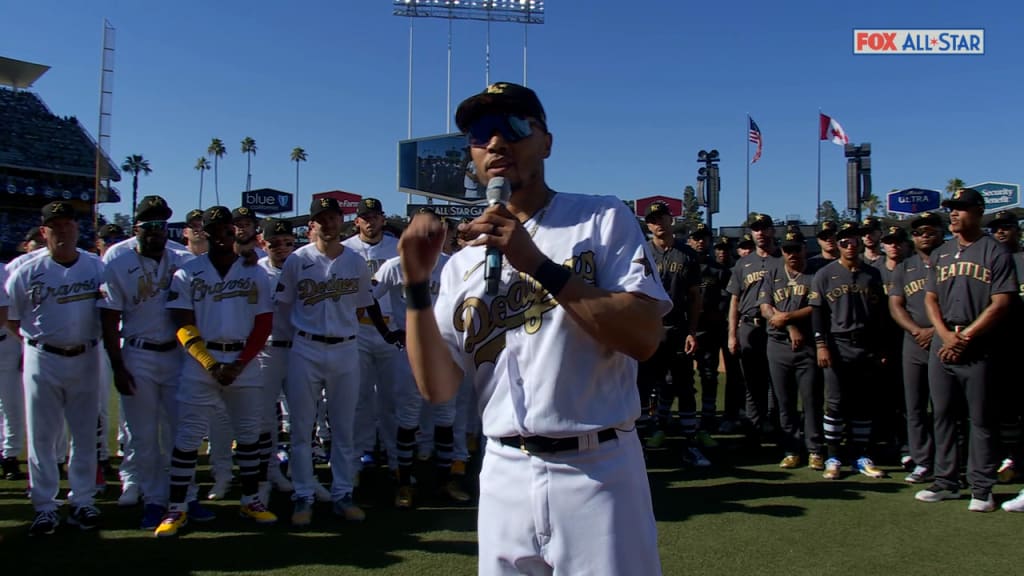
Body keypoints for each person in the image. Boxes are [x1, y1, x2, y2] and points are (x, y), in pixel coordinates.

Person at [400, 82, 668, 574]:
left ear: (546, 142)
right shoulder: (462, 264)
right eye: (482, 133)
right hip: (503, 470)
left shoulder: (601, 217)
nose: (497, 143)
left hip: (597, 466)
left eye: (515, 126)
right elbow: (437, 387)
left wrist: (537, 264)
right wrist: (416, 286)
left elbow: (644, 336)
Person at [154, 206, 277, 537]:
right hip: (201, 361)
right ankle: (177, 507)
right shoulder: (187, 272)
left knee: (249, 436)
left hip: (244, 360)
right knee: (188, 438)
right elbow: (181, 321)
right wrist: (209, 363)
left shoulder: (255, 273)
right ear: (205, 234)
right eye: (217, 230)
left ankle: (251, 500)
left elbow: (264, 322)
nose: (224, 235)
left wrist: (240, 363)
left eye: (229, 230)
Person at [99, 196, 211, 529]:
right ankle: (153, 499)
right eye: (148, 226)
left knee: (182, 431)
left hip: (177, 354)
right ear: (137, 228)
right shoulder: (117, 258)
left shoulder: (181, 258)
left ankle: (186, 496)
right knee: (143, 434)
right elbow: (109, 317)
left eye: (161, 226)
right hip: (138, 352)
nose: (155, 232)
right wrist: (118, 365)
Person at [277, 197, 379, 527]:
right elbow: (283, 306)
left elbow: (363, 305)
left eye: (334, 217)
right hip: (305, 348)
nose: (329, 223)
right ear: (313, 225)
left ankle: (342, 493)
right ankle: (304, 495)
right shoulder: (297, 260)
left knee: (344, 427)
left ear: (342, 221)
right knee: (301, 428)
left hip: (346, 348)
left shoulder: (355, 261)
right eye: (322, 218)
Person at [6, 201, 105, 535]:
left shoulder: (96, 267)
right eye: (56, 227)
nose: (63, 231)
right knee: (42, 437)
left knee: (84, 434)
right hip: (42, 355)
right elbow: (12, 317)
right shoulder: (26, 270)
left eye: (68, 225)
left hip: (87, 354)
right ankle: (45, 506)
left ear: (78, 229)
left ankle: (83, 501)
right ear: (44, 232)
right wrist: (36, 343)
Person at [914, 188, 1016, 512]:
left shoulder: (994, 251)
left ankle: (981, 488)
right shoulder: (943, 252)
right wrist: (945, 335)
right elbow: (930, 298)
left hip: (979, 345)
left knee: (980, 419)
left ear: (978, 211)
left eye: (961, 208)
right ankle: (946, 481)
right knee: (942, 414)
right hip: (944, 344)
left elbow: (1001, 302)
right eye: (951, 209)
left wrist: (965, 337)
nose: (954, 214)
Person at [809, 221, 887, 480]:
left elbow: (880, 315)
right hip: (837, 343)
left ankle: (861, 456)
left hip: (866, 344)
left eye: (854, 240)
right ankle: (833, 456)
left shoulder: (872, 274)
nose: (849, 245)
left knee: (863, 402)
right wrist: (821, 346)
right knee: (835, 402)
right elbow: (818, 314)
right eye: (843, 241)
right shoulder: (825, 273)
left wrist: (881, 347)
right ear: (838, 244)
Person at [637, 203, 704, 466]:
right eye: (653, 220)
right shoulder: (640, 252)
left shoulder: (686, 254)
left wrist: (692, 332)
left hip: (677, 330)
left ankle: (690, 445)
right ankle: (640, 447)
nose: (658, 224)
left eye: (662, 218)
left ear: (671, 219)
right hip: (647, 330)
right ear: (648, 224)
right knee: (642, 389)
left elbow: (695, 297)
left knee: (685, 388)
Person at [343, 198, 401, 474]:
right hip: (359, 329)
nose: (369, 221)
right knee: (360, 396)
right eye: (364, 217)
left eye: (374, 216)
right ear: (357, 222)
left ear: (383, 219)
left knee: (391, 397)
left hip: (391, 329)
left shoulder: (397, 247)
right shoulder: (345, 250)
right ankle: (362, 450)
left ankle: (393, 451)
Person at [759, 229, 823, 469]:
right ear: (782, 251)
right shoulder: (773, 272)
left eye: (796, 248)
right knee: (784, 401)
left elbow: (817, 306)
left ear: (804, 248)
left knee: (811, 399)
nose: (792, 253)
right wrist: (787, 326)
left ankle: (815, 449)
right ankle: (791, 448)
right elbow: (765, 306)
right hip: (777, 344)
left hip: (807, 344)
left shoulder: (815, 273)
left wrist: (789, 318)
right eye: (787, 249)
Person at [888, 212, 944, 484]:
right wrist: (915, 330)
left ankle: (949, 462)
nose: (924, 235)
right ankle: (922, 461)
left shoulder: (950, 259)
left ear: (939, 233)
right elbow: (895, 304)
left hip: (946, 341)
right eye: (919, 232)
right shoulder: (905, 267)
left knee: (947, 407)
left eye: (929, 230)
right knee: (915, 406)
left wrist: (935, 331)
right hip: (913, 343)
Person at [255, 219, 298, 503]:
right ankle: (268, 473)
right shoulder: (254, 272)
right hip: (266, 349)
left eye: (287, 243)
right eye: (275, 244)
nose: (282, 249)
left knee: (300, 415)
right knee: (264, 418)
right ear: (263, 244)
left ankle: (299, 471)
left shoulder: (305, 266)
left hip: (299, 348)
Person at [727, 213, 780, 444]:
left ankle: (777, 426)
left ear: (772, 231)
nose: (760, 232)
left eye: (764, 228)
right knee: (751, 381)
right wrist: (731, 334)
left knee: (776, 379)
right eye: (756, 228)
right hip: (749, 326)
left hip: (776, 327)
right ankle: (754, 427)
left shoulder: (782, 259)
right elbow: (735, 301)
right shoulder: (743, 263)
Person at [986, 210, 1023, 485]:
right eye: (996, 228)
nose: (1000, 232)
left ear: (1017, 230)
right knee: (1001, 407)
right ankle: (1007, 457)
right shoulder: (991, 260)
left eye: (1006, 227)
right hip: (997, 344)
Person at [690, 225, 727, 439]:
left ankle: (708, 415)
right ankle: (682, 417)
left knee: (709, 374)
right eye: (697, 237)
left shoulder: (718, 269)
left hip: (709, 330)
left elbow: (725, 299)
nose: (701, 241)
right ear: (691, 240)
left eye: (704, 237)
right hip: (686, 329)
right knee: (679, 377)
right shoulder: (684, 264)